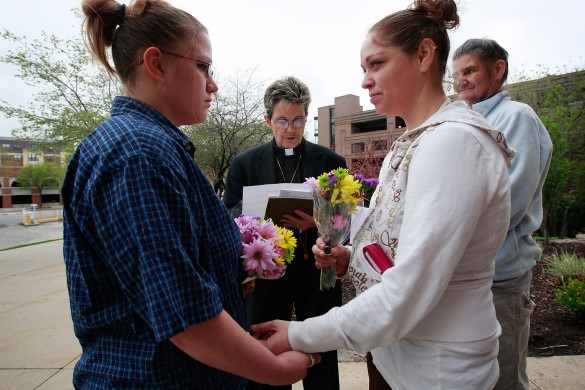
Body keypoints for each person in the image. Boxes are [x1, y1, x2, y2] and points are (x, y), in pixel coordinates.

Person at [252, 1, 518, 389]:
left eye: (376, 64)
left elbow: (408, 289)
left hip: (438, 365)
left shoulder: (454, 143)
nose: (364, 80)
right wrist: (349, 254)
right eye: (364, 68)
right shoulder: (409, 144)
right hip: (397, 354)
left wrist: (299, 335)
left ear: (424, 55)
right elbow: (392, 238)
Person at [62, 1, 319, 388]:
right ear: (156, 64)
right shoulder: (137, 155)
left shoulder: (152, 147)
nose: (213, 83)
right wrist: (277, 370)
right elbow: (183, 313)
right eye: (202, 67)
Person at [223, 76, 346, 390]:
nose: (291, 129)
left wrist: (317, 222)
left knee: (321, 363)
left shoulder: (330, 162)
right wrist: (257, 221)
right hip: (267, 279)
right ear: (267, 120)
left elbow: (344, 222)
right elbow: (229, 218)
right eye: (282, 120)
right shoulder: (244, 164)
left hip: (315, 277)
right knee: (266, 362)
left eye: (298, 120)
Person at [452, 39, 553, 390]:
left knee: (503, 376)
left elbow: (507, 205)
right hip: (465, 276)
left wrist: (447, 237)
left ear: (498, 69)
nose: (461, 81)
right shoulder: (465, 121)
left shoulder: (517, 118)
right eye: (456, 75)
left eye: (470, 70)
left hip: (501, 278)